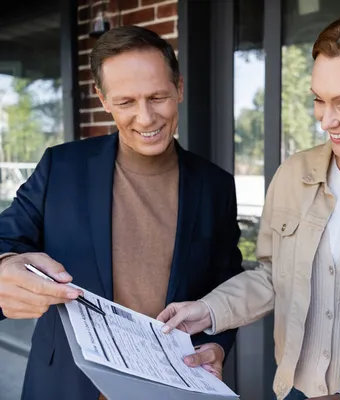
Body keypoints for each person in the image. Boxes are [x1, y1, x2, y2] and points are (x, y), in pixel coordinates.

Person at [157, 11, 340, 400]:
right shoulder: (294, 174)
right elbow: (275, 276)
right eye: (318, 101)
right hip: (296, 390)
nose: (326, 121)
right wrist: (208, 310)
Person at [0, 26, 243, 400]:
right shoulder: (60, 167)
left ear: (179, 88)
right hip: (63, 386)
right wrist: (5, 267)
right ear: (103, 99)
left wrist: (220, 344)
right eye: (126, 102)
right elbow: (7, 239)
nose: (145, 118)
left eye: (158, 97)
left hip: (171, 386)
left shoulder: (216, 185)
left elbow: (226, 285)